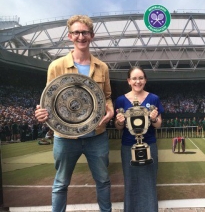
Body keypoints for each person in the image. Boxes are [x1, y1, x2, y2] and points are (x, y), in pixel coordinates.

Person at [35, 15, 114, 212]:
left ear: (92, 36)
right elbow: (48, 99)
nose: (81, 36)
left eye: (85, 32)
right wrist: (41, 112)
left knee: (103, 181)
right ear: (70, 36)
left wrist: (110, 109)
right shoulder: (56, 66)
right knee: (61, 184)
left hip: (96, 135)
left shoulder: (102, 67)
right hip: (65, 136)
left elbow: (107, 96)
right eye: (77, 32)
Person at [114, 66, 164, 212]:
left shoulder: (153, 98)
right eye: (134, 78)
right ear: (128, 81)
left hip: (149, 146)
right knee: (131, 183)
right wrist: (120, 121)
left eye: (141, 78)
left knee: (149, 182)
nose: (138, 81)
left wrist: (154, 119)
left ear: (145, 80)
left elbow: (159, 125)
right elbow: (118, 127)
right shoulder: (121, 100)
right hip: (128, 146)